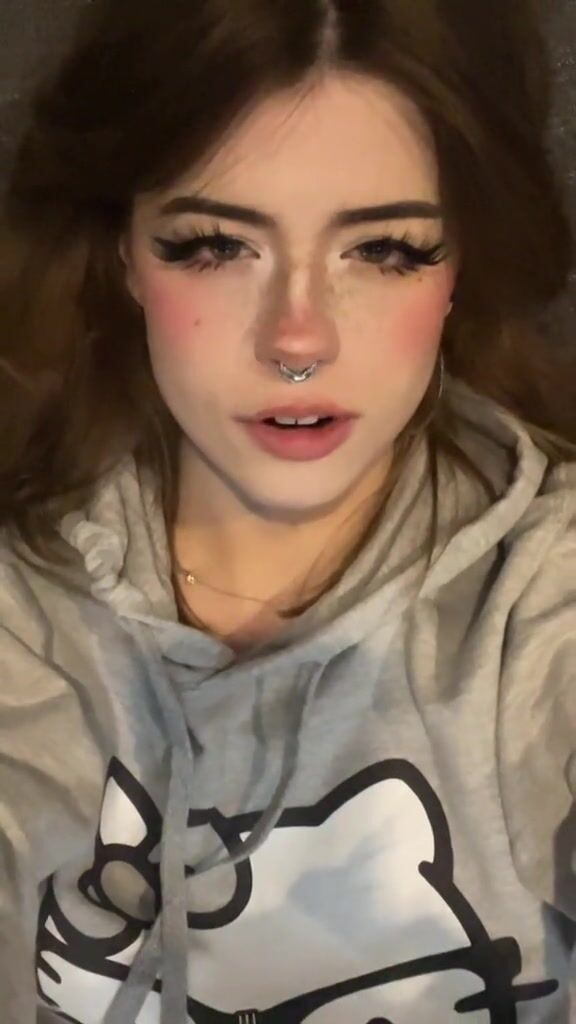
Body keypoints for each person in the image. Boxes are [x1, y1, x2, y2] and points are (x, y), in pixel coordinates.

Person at [0, 0, 575, 1020]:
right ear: (124, 253)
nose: (298, 339)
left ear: (459, 269)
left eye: (386, 249)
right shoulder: (22, 620)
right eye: (215, 246)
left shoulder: (546, 602)